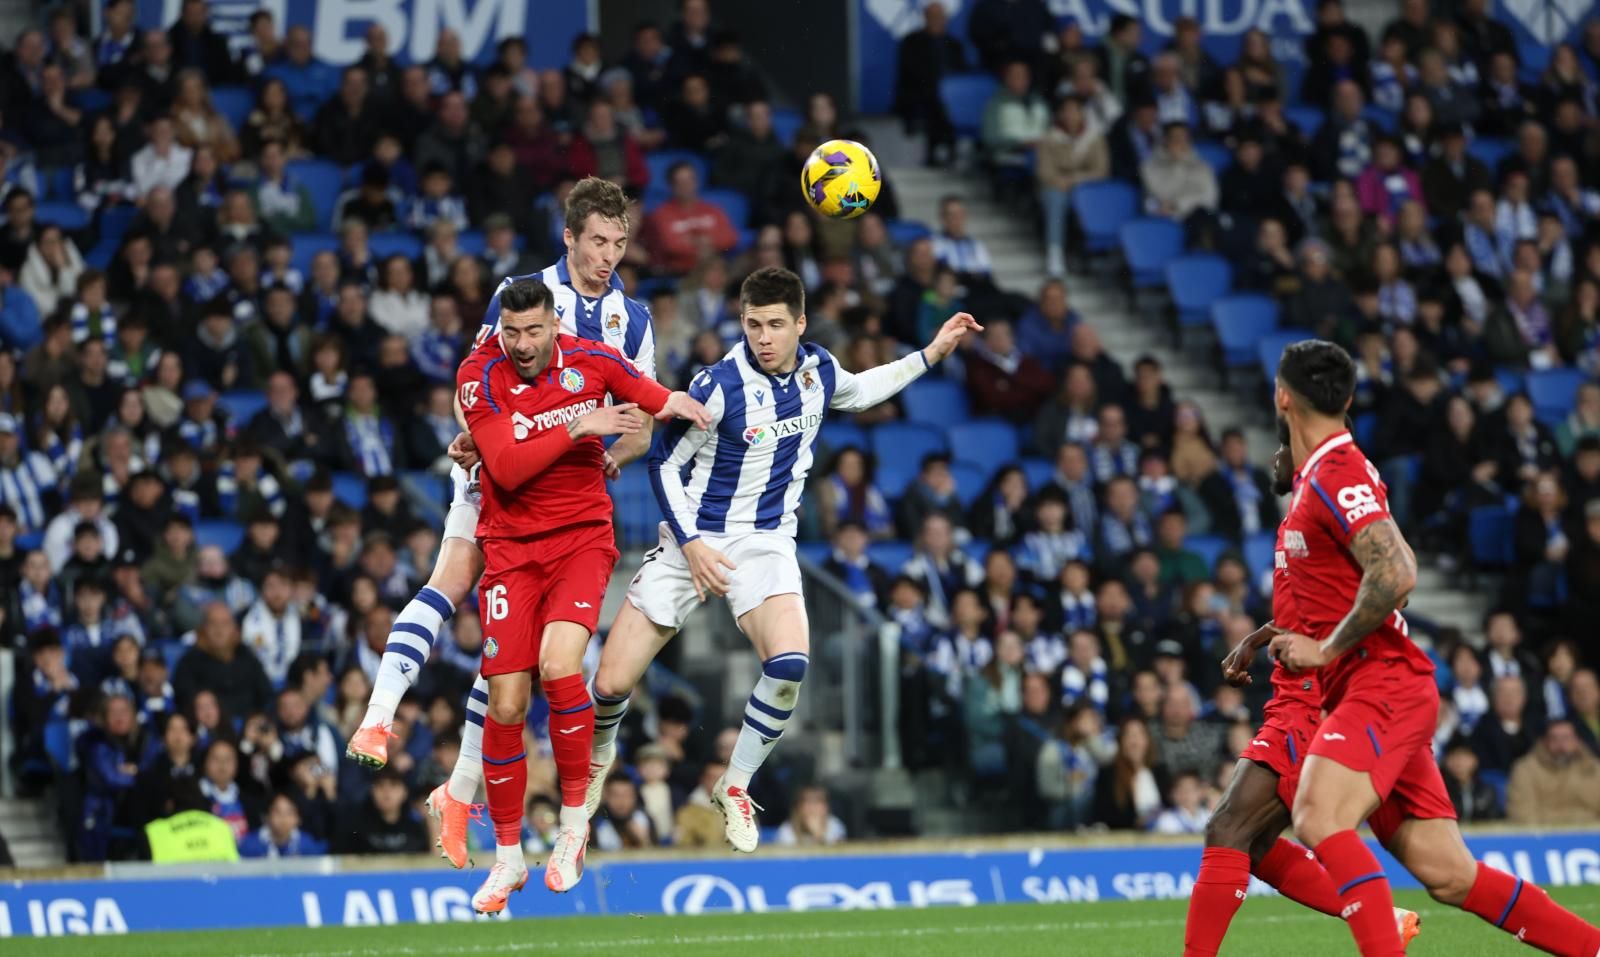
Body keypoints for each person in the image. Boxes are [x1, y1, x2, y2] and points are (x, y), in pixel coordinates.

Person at [583, 266, 976, 862]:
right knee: (610, 684)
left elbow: (863, 389)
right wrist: (691, 545)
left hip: (765, 542)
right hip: (696, 536)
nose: (762, 337)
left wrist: (932, 352)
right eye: (751, 324)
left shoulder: (819, 370)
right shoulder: (716, 386)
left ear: (800, 324)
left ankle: (734, 784)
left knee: (790, 663)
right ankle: (595, 761)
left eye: (773, 325)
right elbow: (663, 465)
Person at [344, 178, 663, 863]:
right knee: (449, 581)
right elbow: (474, 378)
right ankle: (381, 721)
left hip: (565, 503)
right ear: (570, 237)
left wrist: (608, 452)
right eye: (598, 241)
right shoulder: (523, 294)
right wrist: (482, 441)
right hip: (502, 478)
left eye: (620, 242)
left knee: (509, 653)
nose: (610, 255)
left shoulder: (633, 321)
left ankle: (458, 790)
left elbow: (640, 420)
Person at [1266, 340, 1600, 957]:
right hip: (1378, 689)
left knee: (1317, 817)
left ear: (1283, 396)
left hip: (1380, 684)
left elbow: (1396, 574)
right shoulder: (1328, 471)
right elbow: (1398, 561)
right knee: (1449, 875)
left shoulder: (1336, 472)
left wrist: (1326, 648)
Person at [455, 278, 707, 909]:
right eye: (511, 332)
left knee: (559, 666)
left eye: (534, 331)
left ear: (553, 325)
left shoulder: (592, 359)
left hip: (580, 541)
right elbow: (506, 467)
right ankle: (509, 859)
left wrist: (696, 407)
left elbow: (655, 396)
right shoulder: (477, 375)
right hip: (510, 551)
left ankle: (572, 827)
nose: (522, 344)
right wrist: (580, 427)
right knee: (507, 703)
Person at [1184, 444, 1419, 955]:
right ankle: (1383, 915)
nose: (1274, 454)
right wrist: (1256, 639)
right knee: (1259, 845)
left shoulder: (1340, 502)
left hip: (1314, 698)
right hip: (1295, 693)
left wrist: (1326, 650)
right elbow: (1314, 606)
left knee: (1227, 826)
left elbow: (1394, 587)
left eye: (1285, 441)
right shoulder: (1304, 510)